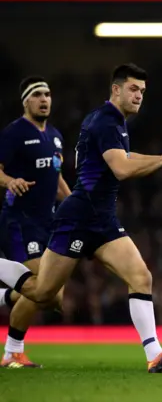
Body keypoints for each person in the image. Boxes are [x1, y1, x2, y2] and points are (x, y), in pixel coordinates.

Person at [0, 63, 162, 373]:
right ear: (115, 89)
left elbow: (120, 162)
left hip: (102, 218)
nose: (139, 96)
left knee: (141, 276)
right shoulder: (106, 121)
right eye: (133, 89)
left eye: (143, 92)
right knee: (44, 294)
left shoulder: (114, 122)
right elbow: (121, 168)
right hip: (79, 218)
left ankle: (155, 355)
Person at [0, 77, 72, 368]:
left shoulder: (55, 136)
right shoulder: (14, 133)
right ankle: (13, 352)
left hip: (48, 223)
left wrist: (77, 205)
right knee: (41, 286)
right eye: (38, 94)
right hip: (20, 221)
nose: (45, 99)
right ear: (26, 101)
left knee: (52, 298)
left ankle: (4, 295)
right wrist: (9, 181)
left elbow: (57, 181)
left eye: (48, 94)